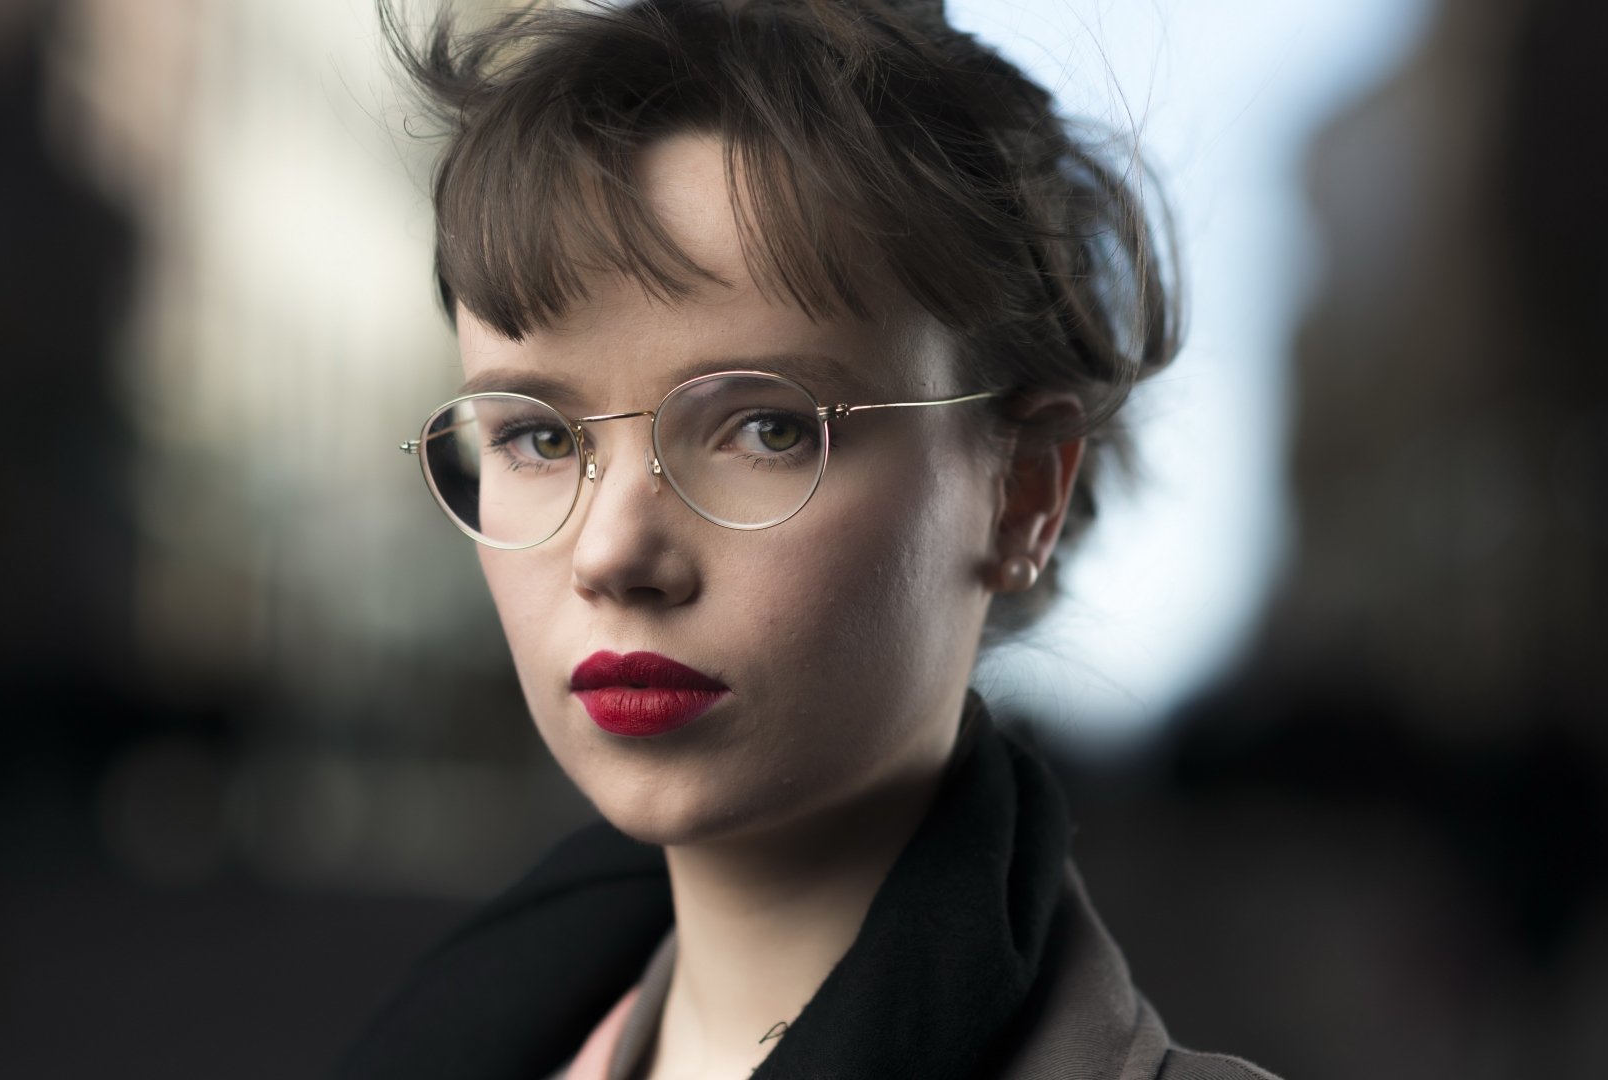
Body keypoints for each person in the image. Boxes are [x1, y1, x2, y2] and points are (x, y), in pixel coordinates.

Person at [342, 1, 1276, 1077]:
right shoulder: (470, 1032)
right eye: (538, 436)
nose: (610, 555)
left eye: (765, 428)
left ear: (1023, 493)